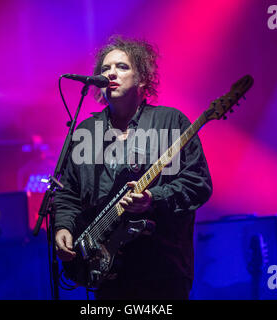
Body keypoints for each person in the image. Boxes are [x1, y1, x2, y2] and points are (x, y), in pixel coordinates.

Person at [54, 35, 213, 300]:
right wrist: (63, 227)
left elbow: (198, 183)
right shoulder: (85, 132)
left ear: (142, 79)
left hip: (161, 268)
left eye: (122, 67)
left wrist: (153, 198)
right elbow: (68, 192)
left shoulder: (169, 122)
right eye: (105, 69)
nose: (111, 73)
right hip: (105, 269)